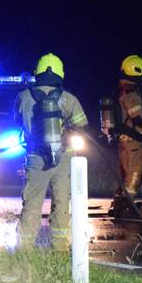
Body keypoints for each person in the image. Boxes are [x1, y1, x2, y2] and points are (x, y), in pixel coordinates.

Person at [14, 53, 89, 249]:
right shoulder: (69, 99)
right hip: (64, 158)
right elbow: (82, 126)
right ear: (60, 73)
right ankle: (60, 249)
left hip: (35, 158)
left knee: (31, 204)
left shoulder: (23, 96)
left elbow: (17, 122)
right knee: (62, 204)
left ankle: (24, 250)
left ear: (37, 72)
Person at [114, 55, 142, 202]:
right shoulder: (130, 92)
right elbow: (138, 117)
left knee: (125, 174)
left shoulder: (122, 90)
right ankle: (127, 203)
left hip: (125, 140)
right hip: (133, 141)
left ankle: (120, 202)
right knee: (134, 174)